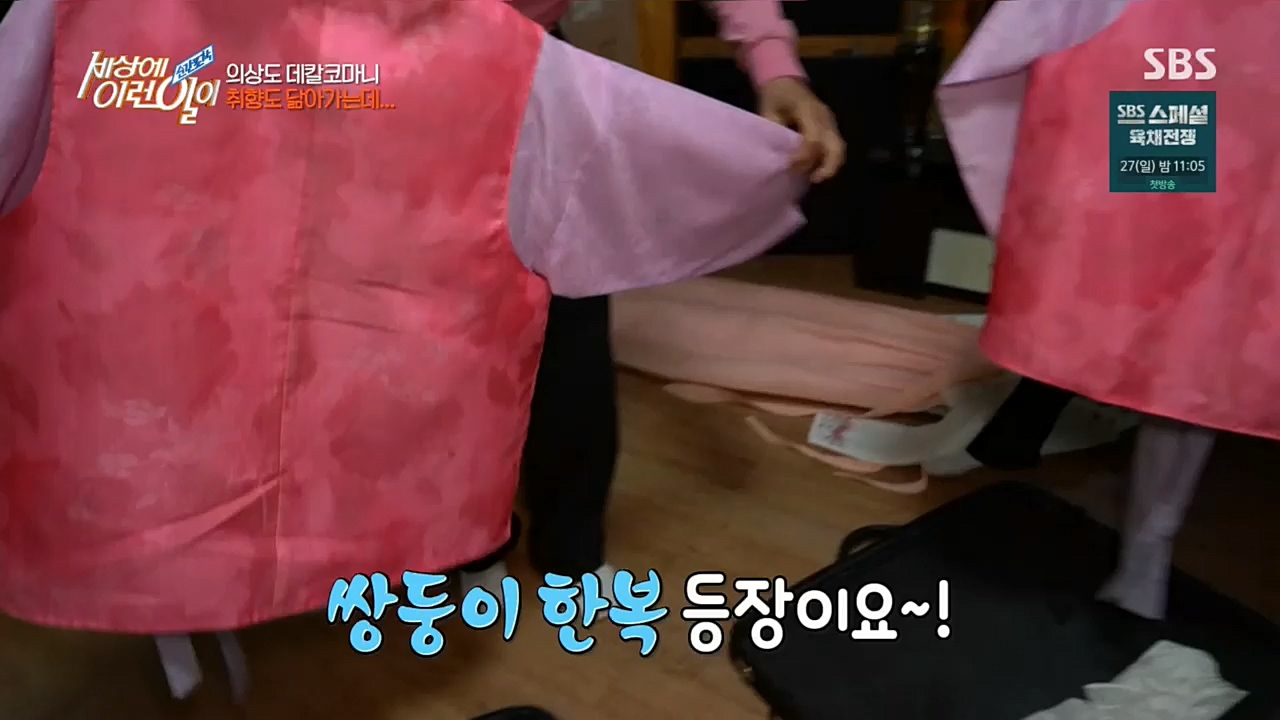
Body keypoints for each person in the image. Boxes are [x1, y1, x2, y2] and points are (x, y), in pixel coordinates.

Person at [0, 0, 809, 699]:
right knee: (355, 324)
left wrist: (771, 62)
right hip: (304, 59)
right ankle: (425, 544)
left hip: (487, 71)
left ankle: (555, 547)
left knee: (543, 328)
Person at [459, 0, 846, 599]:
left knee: (571, 326)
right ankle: (467, 542)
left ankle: (571, 550)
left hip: (534, 73)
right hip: (384, 78)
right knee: (443, 346)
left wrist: (774, 64)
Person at [939, 0, 1278, 618]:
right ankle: (1035, 430)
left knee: (1203, 315)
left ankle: (1145, 544)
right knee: (1146, 273)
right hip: (1179, 57)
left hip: (1233, 62)